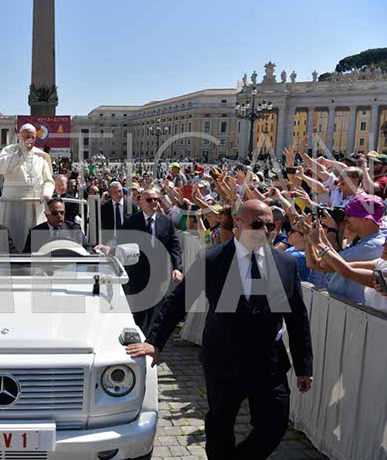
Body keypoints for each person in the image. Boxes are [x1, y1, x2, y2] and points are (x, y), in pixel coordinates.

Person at [129, 200, 313, 460]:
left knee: (274, 425)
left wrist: (304, 365)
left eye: (270, 226)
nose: (264, 231)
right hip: (224, 361)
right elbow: (178, 301)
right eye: (257, 225)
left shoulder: (286, 263)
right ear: (238, 224)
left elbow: (297, 318)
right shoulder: (212, 259)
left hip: (269, 363)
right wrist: (155, 341)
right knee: (220, 426)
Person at [118, 189, 183, 329]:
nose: (153, 202)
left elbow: (174, 246)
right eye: (149, 200)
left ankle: (151, 339)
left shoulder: (166, 221)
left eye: (156, 199)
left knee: (156, 312)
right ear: (140, 203)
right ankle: (141, 336)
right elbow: (121, 242)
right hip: (137, 274)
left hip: (159, 274)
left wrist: (177, 268)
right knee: (140, 313)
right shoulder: (131, 222)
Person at [0, 123, 55, 252]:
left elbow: (48, 180)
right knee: (10, 241)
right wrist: (19, 154)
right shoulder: (9, 151)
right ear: (19, 136)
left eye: (33, 137)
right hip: (12, 206)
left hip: (34, 206)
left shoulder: (41, 156)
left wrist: (46, 192)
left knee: (32, 243)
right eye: (26, 136)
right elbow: (0, 168)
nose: (30, 140)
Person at [23, 198, 97, 254]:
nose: (59, 216)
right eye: (55, 213)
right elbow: (26, 256)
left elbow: (88, 249)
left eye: (62, 213)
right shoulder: (35, 232)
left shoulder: (74, 228)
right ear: (46, 215)